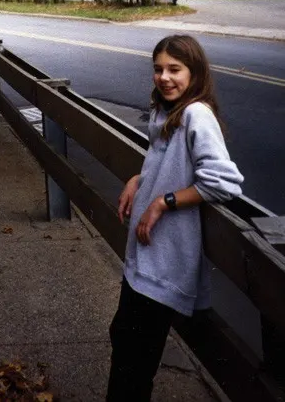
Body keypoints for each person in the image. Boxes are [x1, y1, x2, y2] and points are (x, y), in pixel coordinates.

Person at [106, 34, 243, 402]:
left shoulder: (197, 114)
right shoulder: (166, 111)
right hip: (145, 257)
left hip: (164, 263)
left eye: (175, 69)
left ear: (195, 73)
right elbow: (164, 159)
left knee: (134, 363)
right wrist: (140, 178)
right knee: (124, 341)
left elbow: (224, 182)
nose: (164, 77)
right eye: (158, 69)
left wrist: (163, 202)